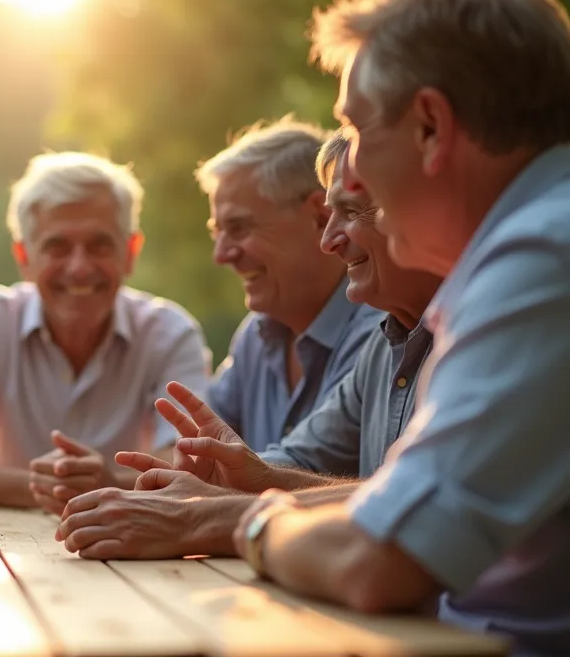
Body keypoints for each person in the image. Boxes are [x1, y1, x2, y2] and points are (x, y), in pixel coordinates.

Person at [235, 0, 570, 653]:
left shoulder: (545, 255)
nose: (348, 173)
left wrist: (256, 526)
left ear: (431, 127)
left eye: (357, 130)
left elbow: (374, 562)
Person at [55, 129, 443, 559]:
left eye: (238, 227)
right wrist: (220, 483)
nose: (220, 254)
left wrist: (201, 512)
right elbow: (285, 465)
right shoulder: (379, 336)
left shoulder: (396, 327)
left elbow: (413, 504)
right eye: (55, 246)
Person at [0, 151, 213, 512]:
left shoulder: (170, 332)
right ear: (24, 257)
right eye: (57, 247)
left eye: (99, 245)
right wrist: (45, 487)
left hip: (131, 547)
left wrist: (108, 484)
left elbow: (192, 461)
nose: (79, 268)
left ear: (130, 252)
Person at [197, 119, 384, 451]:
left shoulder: (381, 332)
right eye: (217, 232)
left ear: (320, 216)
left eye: (238, 227)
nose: (221, 255)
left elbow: (295, 470)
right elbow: (199, 455)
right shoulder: (256, 336)